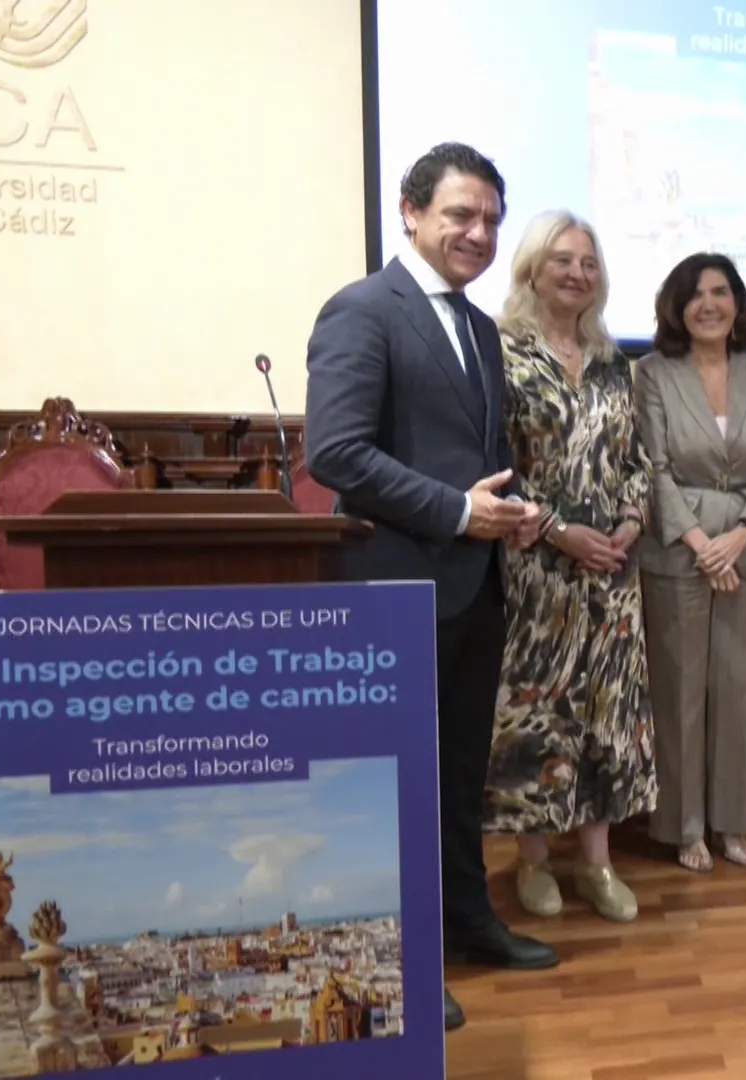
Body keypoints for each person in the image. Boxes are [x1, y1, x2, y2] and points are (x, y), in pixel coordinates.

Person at [304, 141, 557, 1032]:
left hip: (476, 588)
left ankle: (468, 921)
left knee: (458, 778)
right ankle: (406, 963)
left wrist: (513, 512)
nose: (478, 232)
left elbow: (477, 462)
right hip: (395, 588)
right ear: (410, 213)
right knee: (400, 783)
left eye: (490, 218)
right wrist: (456, 512)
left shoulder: (481, 327)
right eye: (460, 214)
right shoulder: (363, 310)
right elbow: (334, 453)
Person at [486, 209, 655, 924]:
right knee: (540, 713)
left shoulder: (619, 363)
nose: (577, 272)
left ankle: (597, 863)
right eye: (562, 259)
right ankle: (532, 864)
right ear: (531, 268)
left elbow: (638, 459)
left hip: (614, 574)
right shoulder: (501, 355)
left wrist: (629, 523)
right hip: (538, 572)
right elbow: (494, 465)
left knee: (609, 716)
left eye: (589, 262)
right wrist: (561, 532)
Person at [635, 252, 746, 872]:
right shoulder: (651, 371)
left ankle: (731, 822)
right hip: (679, 551)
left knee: (740, 690)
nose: (709, 304)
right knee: (680, 694)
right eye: (695, 294)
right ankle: (683, 826)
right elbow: (653, 467)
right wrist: (703, 543)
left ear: (738, 303)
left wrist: (743, 534)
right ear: (677, 306)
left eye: (721, 291)